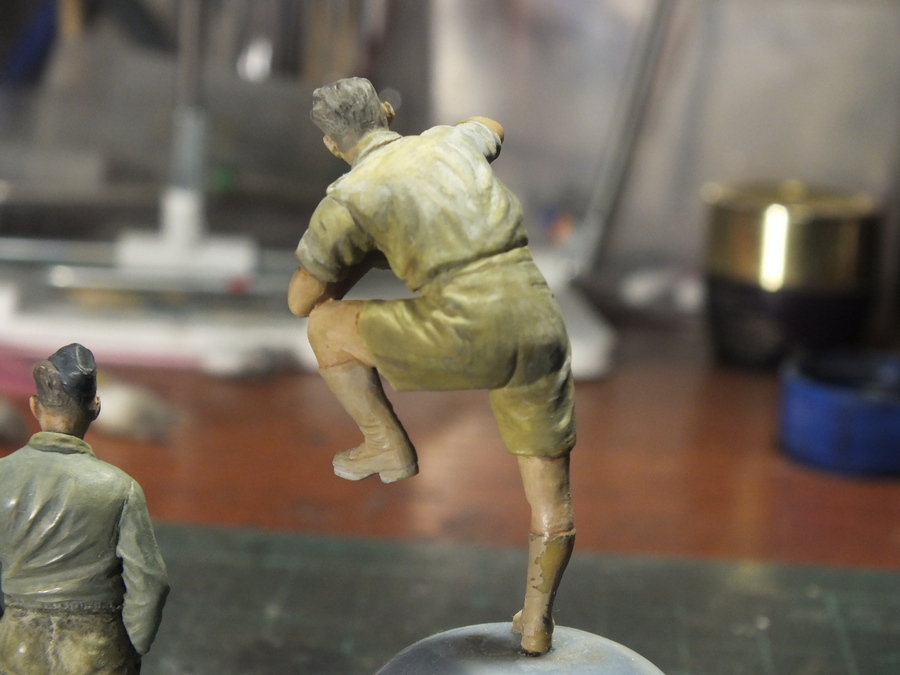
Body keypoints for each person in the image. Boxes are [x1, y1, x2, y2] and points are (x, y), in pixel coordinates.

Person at [288, 77, 575, 655]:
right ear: (387, 113)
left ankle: (385, 442)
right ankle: (537, 622)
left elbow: (302, 299)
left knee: (324, 326)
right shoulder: (450, 142)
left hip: (466, 327)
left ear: (330, 143)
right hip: (539, 320)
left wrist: (367, 255)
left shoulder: (349, 195)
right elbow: (490, 125)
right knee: (551, 497)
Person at [0, 344, 169, 674]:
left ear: (34, 406)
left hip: (17, 644)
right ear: (95, 407)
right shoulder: (119, 487)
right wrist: (133, 645)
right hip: (97, 647)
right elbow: (150, 581)